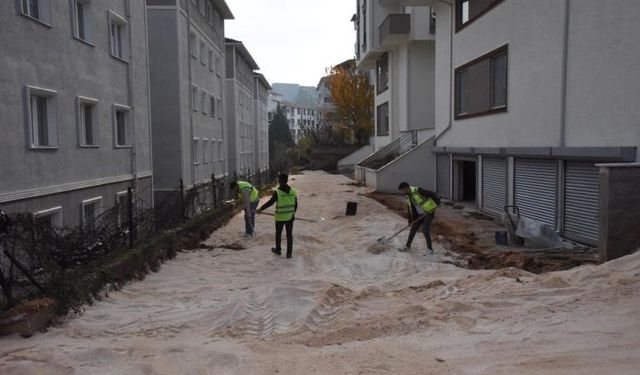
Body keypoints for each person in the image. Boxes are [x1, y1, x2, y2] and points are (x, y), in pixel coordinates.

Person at [258, 174, 297, 259]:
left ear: (280, 181)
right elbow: (295, 205)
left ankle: (278, 250)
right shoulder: (293, 191)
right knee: (289, 235)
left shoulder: (278, 192)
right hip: (290, 217)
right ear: (286, 180)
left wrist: (261, 209)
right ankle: (289, 253)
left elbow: (271, 202)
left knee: (278, 234)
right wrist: (293, 214)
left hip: (280, 217)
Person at [398, 182, 440, 255]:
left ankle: (430, 250)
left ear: (406, 188)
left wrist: (436, 203)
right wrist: (410, 221)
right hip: (419, 215)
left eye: (402, 191)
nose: (402, 192)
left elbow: (433, 195)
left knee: (425, 230)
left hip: (428, 213)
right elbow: (410, 209)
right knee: (413, 230)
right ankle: (407, 246)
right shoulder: (408, 196)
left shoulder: (418, 190)